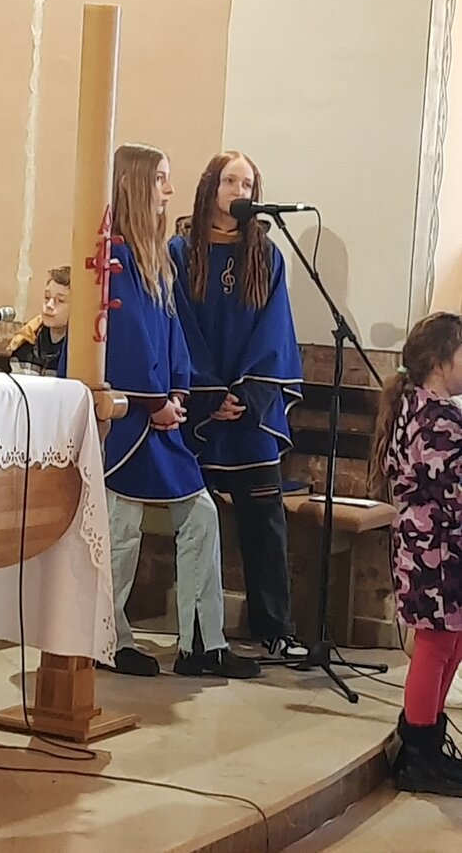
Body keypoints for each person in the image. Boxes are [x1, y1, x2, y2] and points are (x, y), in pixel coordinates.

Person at [103, 143, 259, 679]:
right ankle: (107, 638)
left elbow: (171, 336)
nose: (169, 190)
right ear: (135, 184)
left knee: (201, 516)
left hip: (160, 414)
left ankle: (201, 643)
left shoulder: (155, 258)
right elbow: (124, 339)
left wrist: (177, 394)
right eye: (160, 179)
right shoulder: (113, 256)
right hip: (126, 418)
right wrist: (153, 402)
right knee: (120, 527)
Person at [169, 150, 307, 660]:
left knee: (265, 520)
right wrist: (208, 392)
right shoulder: (179, 253)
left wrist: (247, 395)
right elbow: (178, 326)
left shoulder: (266, 255)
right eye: (230, 181)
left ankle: (275, 629)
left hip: (250, 411)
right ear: (211, 187)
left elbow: (275, 331)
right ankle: (199, 634)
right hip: (200, 411)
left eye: (248, 184)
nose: (239, 191)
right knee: (198, 523)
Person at [368, 312, 462, 796]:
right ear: (441, 362)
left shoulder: (422, 407)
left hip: (438, 546)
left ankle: (428, 737)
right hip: (435, 550)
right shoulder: (436, 417)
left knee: (452, 640)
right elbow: (453, 490)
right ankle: (419, 752)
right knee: (436, 642)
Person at [8, 266, 70, 375]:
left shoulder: (79, 353)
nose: (49, 305)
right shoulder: (26, 342)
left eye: (60, 300)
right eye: (47, 297)